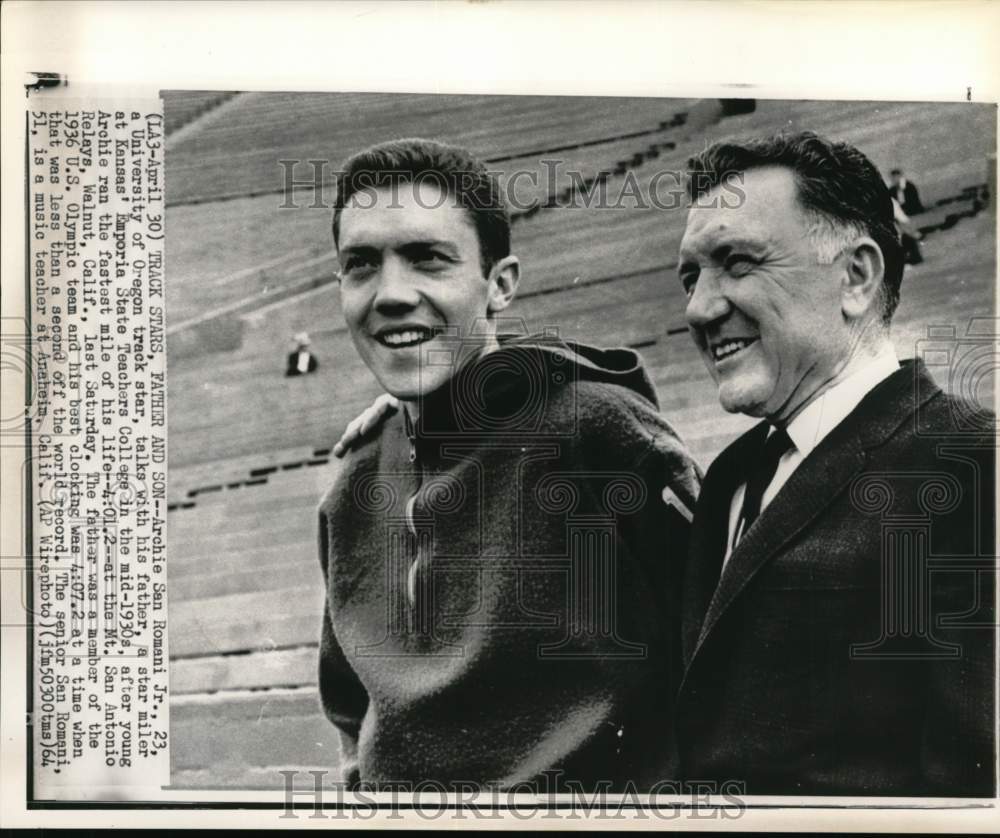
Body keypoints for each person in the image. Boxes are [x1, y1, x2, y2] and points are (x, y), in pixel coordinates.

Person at [318, 138, 700, 791]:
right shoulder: (354, 479)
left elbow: (726, 656)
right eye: (361, 265)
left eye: (427, 259)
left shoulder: (598, 433)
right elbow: (350, 704)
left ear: (500, 285)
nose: (390, 294)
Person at [675, 132, 994, 796]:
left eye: (737, 263)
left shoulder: (970, 466)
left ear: (855, 277)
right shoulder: (732, 474)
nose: (697, 307)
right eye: (691, 276)